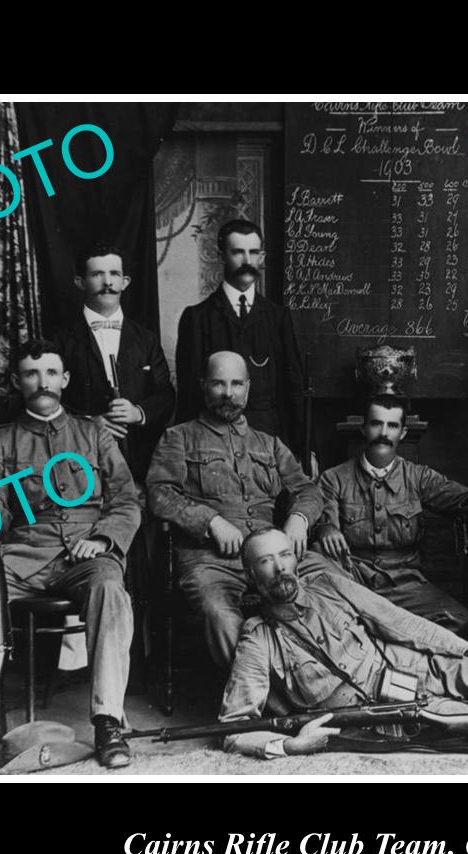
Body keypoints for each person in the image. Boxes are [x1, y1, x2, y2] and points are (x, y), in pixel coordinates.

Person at [217, 528, 468, 760]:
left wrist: (466, 652)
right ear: (252, 576)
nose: (280, 568)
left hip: (415, 664)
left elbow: (398, 621)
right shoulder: (259, 639)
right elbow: (234, 728)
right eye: (265, 562)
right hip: (383, 711)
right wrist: (289, 745)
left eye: (284, 555)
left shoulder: (326, 585)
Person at [0, 340, 141, 769]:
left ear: (65, 380)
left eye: (51, 373)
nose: (43, 383)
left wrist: (105, 540)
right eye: (32, 374)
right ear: (18, 382)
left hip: (87, 551)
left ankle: (109, 721)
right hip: (22, 554)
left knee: (111, 590)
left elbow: (128, 499)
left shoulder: (94, 433)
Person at [146, 351, 328, 672]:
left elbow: (308, 490)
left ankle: (322, 678)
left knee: (335, 585)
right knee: (221, 614)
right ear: (204, 386)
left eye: (236, 384)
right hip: (212, 561)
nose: (228, 393)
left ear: (248, 387)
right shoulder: (179, 437)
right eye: (218, 384)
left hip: (274, 558)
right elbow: (160, 494)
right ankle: (264, 698)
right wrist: (210, 520)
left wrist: (299, 519)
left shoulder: (269, 444)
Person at [315, 395, 468, 634]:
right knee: (333, 626)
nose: (383, 432)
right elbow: (322, 518)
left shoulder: (417, 477)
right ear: (363, 427)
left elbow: (459, 496)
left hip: (406, 586)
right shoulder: (334, 478)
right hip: (354, 582)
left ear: (402, 433)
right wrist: (325, 528)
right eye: (376, 423)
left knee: (459, 622)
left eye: (392, 426)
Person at [174, 219, 308, 460]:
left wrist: (304, 450)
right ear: (222, 256)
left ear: (262, 257)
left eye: (253, 252)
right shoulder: (196, 317)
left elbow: (294, 388)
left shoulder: (278, 317)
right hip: (212, 446)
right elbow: (188, 395)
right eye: (237, 252)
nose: (247, 260)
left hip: (269, 445)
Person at [56, 240, 176, 483]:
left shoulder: (146, 339)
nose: (108, 282)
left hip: (139, 463)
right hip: (82, 463)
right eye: (97, 274)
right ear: (80, 282)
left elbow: (165, 395)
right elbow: (51, 402)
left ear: (125, 282)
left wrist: (137, 412)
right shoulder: (61, 341)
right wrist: (90, 425)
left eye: (114, 274)